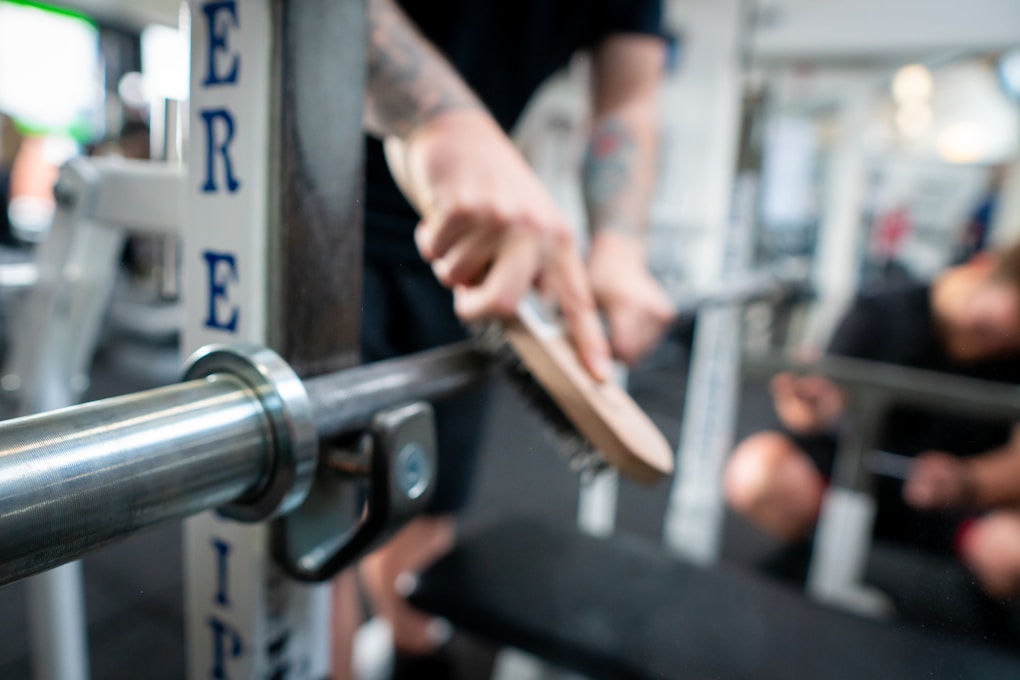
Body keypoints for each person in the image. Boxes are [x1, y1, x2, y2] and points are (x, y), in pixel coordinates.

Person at [338, 0, 678, 677]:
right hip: (316, 204)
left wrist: (619, 244)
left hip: (474, 249)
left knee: (428, 508)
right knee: (318, 542)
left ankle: (414, 653)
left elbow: (630, 95)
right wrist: (443, 119)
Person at [725, 244, 1020, 600]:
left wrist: (968, 480)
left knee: (1012, 553)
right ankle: (809, 558)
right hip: (847, 477)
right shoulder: (883, 309)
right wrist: (807, 404)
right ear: (982, 268)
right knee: (754, 473)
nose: (995, 343)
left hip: (952, 504)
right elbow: (814, 408)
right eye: (989, 327)